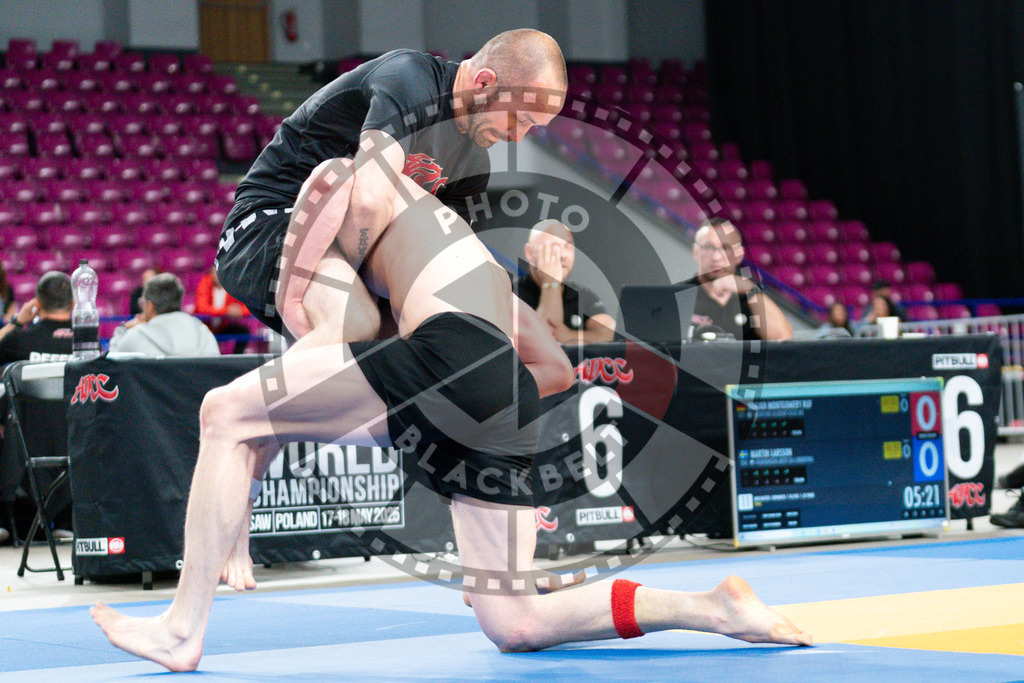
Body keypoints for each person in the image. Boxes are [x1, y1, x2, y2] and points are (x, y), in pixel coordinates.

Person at [91, 166, 811, 673]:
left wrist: (247, 492)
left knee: (225, 410)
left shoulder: (334, 184)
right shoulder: (477, 261)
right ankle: (711, 606)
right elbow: (555, 372)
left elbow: (321, 345)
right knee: (515, 620)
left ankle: (182, 629)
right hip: (504, 388)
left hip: (445, 357)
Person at [216, 28, 567, 356]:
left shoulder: (473, 164)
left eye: (531, 128)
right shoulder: (411, 79)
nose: (517, 138)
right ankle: (238, 416)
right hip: (272, 224)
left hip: (346, 245)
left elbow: (444, 257)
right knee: (354, 323)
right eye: (519, 120)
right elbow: (368, 201)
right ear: (484, 82)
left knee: (420, 340)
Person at [685, 219, 793, 341]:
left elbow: (782, 338)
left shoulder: (752, 295)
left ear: (739, 253)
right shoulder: (680, 297)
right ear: (696, 252)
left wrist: (750, 290)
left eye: (726, 248)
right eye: (708, 247)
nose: (716, 257)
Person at [515, 220, 616, 345]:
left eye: (568, 247)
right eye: (554, 247)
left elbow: (610, 333)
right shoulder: (512, 293)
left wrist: (568, 336)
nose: (563, 255)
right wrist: (551, 283)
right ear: (530, 253)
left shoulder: (582, 295)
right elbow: (543, 341)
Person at [109, 273, 220, 357]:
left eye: (143, 303)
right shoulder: (200, 329)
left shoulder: (137, 335)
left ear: (150, 306)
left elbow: (113, 361)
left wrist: (123, 329)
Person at [0, 271, 74, 366]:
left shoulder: (20, 339)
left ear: (37, 304)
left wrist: (16, 322)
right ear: (73, 303)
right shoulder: (87, 340)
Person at [194, 267, 250, 354]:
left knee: (243, 331)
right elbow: (202, 308)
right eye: (214, 272)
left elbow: (247, 307)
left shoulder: (232, 285)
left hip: (223, 326)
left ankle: (236, 359)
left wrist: (239, 311)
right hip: (205, 326)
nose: (216, 275)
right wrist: (227, 311)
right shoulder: (205, 282)